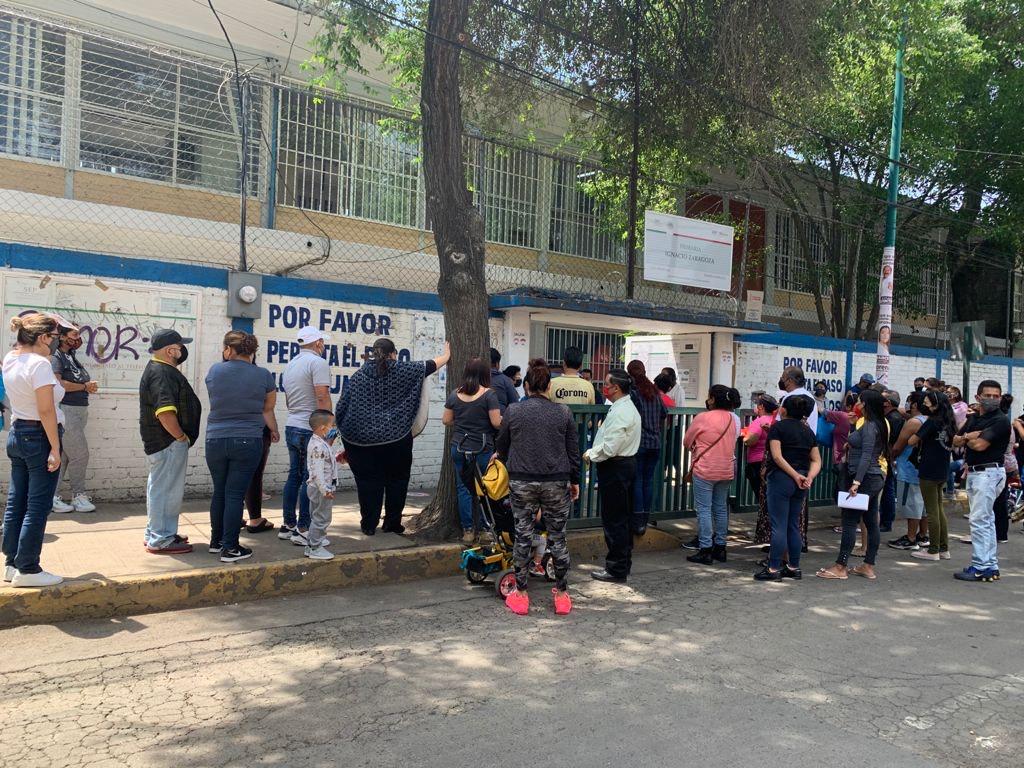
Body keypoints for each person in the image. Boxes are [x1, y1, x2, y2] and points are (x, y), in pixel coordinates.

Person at [336, 337, 450, 535]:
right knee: (397, 481)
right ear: (393, 354)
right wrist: (447, 355)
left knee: (367, 483)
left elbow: (341, 409)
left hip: (360, 442)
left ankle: (368, 525)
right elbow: (430, 366)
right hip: (396, 439)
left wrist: (347, 437)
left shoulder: (357, 377)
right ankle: (392, 523)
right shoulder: (403, 370)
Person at [495, 358, 579, 615]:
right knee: (558, 538)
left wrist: (506, 459)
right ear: (549, 386)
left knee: (522, 535)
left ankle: (521, 594)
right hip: (556, 481)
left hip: (522, 481)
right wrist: (575, 480)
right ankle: (562, 595)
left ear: (527, 386)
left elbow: (502, 444)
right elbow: (573, 451)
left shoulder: (513, 411)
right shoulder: (564, 412)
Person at [204, 331, 278, 563]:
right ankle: (231, 548)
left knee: (220, 491)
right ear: (252, 352)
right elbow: (267, 408)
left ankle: (216, 542)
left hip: (215, 439)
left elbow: (216, 398)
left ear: (228, 349)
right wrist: (274, 430)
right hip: (247, 440)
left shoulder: (215, 371)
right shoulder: (264, 375)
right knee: (235, 494)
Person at [3, 313, 65, 587]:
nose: (55, 342)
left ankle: (12, 563)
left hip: (18, 433)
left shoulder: (11, 358)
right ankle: (28, 568)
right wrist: (55, 447)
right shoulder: (39, 364)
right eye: (54, 337)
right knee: (38, 505)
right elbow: (46, 409)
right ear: (42, 337)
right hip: (39, 435)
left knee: (17, 502)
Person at [139, 329, 201, 555]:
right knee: (167, 491)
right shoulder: (162, 373)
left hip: (164, 442)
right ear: (170, 350)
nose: (182, 350)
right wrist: (180, 437)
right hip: (168, 442)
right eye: (180, 346)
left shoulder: (159, 369)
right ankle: (161, 538)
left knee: (159, 488)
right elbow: (165, 412)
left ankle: (157, 532)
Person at [817, 389, 888, 580]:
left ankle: (841, 566)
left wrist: (856, 482)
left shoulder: (870, 426)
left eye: (859, 401)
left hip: (864, 478)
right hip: (872, 477)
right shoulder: (874, 424)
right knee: (871, 521)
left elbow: (867, 455)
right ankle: (868, 565)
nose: (857, 403)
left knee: (849, 520)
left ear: (865, 404)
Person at [754, 394, 820, 581]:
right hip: (802, 480)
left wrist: (793, 475)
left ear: (783, 410)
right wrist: (808, 477)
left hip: (781, 479)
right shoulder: (808, 431)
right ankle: (794, 566)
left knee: (778, 525)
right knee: (793, 524)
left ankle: (773, 568)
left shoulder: (778, 428)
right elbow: (816, 460)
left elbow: (777, 456)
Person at [585, 368, 641, 583]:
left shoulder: (621, 411)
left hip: (616, 466)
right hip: (623, 465)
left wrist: (591, 454)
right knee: (622, 518)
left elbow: (610, 446)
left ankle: (616, 568)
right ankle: (622, 564)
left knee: (615, 520)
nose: (603, 388)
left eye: (606, 384)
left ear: (616, 387)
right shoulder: (624, 407)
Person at [951, 380, 1010, 582]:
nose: (992, 399)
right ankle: (989, 565)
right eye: (988, 395)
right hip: (978, 473)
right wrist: (970, 435)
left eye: (996, 396)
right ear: (978, 397)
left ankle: (981, 566)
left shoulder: (1000, 420)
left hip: (988, 473)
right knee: (986, 520)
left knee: (980, 521)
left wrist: (967, 438)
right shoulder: (974, 418)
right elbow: (955, 440)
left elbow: (979, 446)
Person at [281, 326, 332, 543]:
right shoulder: (318, 363)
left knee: (294, 475)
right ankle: (303, 528)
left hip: (292, 424)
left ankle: (288, 525)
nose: (324, 345)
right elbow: (322, 396)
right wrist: (328, 428)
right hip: (309, 428)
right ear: (318, 343)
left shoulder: (291, 364)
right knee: (309, 479)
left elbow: (288, 400)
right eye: (323, 342)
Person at [442, 357, 502, 543]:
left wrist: (463, 422)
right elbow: (496, 422)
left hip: (459, 447)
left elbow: (446, 420)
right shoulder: (489, 395)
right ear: (485, 374)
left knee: (463, 489)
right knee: (484, 487)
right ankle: (484, 529)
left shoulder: (455, 394)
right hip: (482, 448)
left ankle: (468, 531)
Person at [684, 384, 741, 565]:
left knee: (704, 510)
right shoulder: (733, 419)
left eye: (709, 397)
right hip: (726, 469)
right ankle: (721, 548)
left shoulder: (703, 417)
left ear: (713, 399)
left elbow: (687, 441)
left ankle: (705, 549)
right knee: (721, 508)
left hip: (705, 469)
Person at [50, 324, 98, 514]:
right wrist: (84, 387)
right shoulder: (56, 357)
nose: (78, 338)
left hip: (78, 412)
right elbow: (57, 384)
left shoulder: (71, 356)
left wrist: (86, 387)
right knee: (80, 454)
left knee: (65, 456)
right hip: (67, 410)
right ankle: (79, 496)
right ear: (62, 336)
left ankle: (52, 497)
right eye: (74, 334)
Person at [908, 389, 955, 562]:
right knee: (939, 508)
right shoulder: (949, 422)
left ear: (935, 406)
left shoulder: (931, 422)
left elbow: (911, 441)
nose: (924, 406)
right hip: (943, 469)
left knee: (932, 511)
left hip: (928, 469)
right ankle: (943, 548)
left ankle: (933, 550)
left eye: (927, 403)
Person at [626, 360, 667, 535]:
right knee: (648, 482)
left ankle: (637, 521)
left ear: (630, 374)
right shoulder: (655, 392)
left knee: (637, 481)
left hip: (639, 443)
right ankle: (645, 519)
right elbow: (664, 413)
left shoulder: (634, 393)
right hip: (655, 443)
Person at [886, 392, 928, 551]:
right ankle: (922, 535)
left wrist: (891, 456)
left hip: (909, 468)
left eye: (909, 401)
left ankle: (910, 538)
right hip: (923, 469)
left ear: (915, 405)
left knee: (912, 504)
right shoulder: (930, 420)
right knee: (923, 505)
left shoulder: (913, 423)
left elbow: (898, 446)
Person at [304, 409, 339, 561]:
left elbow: (325, 463)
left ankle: (311, 543)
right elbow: (318, 472)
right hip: (321, 488)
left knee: (316, 516)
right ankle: (315, 548)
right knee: (322, 518)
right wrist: (325, 490)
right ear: (323, 428)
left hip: (316, 487)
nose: (334, 428)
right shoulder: (318, 447)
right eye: (332, 425)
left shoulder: (319, 443)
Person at [879, 390, 906, 533]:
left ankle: (886, 520)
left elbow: (891, 441)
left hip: (888, 457)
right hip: (889, 457)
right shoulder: (894, 417)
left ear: (888, 403)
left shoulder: (893, 419)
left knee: (887, 489)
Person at [743, 393, 778, 505]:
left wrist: (745, 438)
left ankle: (766, 516)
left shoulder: (759, 421)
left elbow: (750, 440)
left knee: (762, 497)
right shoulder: (776, 421)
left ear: (761, 407)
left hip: (757, 463)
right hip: (773, 461)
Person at [489, 348, 519, 413]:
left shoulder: (475, 379)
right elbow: (515, 405)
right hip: (501, 417)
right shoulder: (505, 380)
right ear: (497, 364)